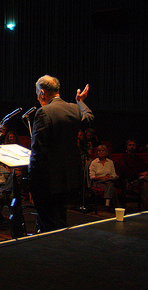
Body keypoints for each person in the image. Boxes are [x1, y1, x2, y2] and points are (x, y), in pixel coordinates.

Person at [29, 75, 94, 232]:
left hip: (47, 181)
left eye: (38, 92)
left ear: (42, 92)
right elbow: (89, 118)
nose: (37, 97)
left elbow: (38, 150)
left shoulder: (44, 112)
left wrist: (31, 180)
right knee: (61, 220)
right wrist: (80, 101)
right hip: (67, 179)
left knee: (48, 224)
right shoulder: (73, 108)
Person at [89, 145, 119, 209]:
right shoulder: (94, 163)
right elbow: (92, 176)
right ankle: (115, 205)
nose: (101, 152)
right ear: (97, 152)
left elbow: (114, 174)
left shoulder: (110, 162)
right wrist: (102, 178)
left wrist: (109, 177)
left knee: (109, 184)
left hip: (108, 180)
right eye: (99, 151)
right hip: (98, 182)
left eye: (103, 150)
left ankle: (107, 205)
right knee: (111, 187)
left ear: (106, 152)